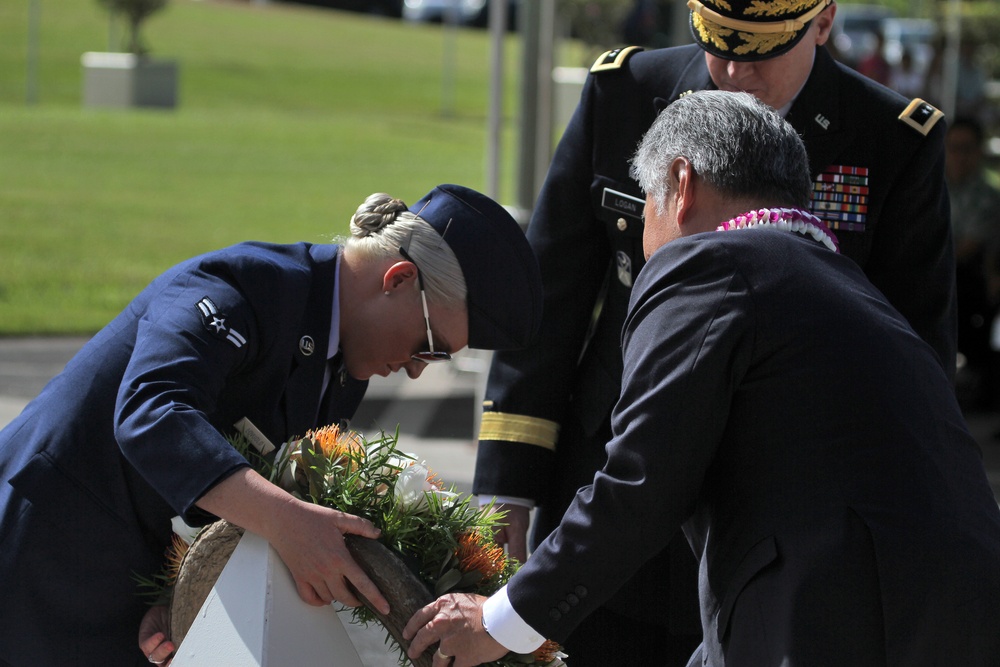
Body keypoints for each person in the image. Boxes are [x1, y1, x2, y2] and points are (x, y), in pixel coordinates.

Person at [405, 90, 1000, 667]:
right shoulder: (843, 287)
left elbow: (641, 482)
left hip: (841, 610)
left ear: (681, 186)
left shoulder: (708, 266)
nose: (645, 236)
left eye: (645, 205)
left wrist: (499, 620)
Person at [0, 184, 543, 667]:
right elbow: (151, 413)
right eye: (429, 347)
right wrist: (288, 520)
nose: (417, 369)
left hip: (120, 572)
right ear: (398, 279)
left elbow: (241, 487)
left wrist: (175, 594)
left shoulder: (344, 368)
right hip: (40, 546)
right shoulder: (247, 290)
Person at [946, 116, 1000, 407]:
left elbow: (967, 249)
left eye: (966, 148)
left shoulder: (988, 197)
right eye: (953, 148)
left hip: (970, 281)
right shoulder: (931, 187)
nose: (959, 156)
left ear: (978, 152)